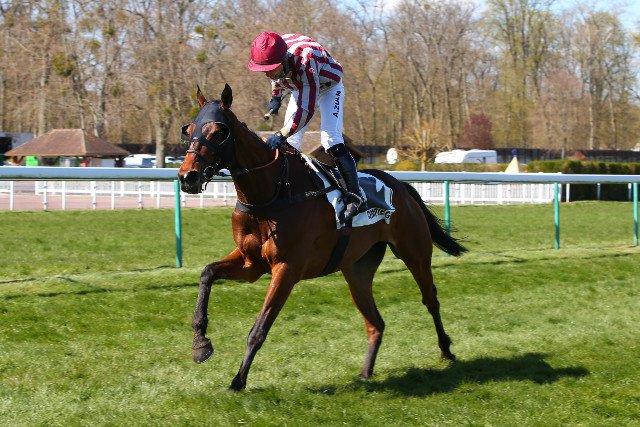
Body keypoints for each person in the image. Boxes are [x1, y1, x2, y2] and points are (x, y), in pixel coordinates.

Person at [247, 31, 366, 222]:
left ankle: (355, 195)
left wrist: (282, 133)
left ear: (283, 59)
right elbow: (275, 76)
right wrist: (276, 97)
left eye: (270, 68)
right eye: (263, 69)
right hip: (300, 84)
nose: (267, 73)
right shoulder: (275, 53)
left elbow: (306, 111)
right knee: (291, 143)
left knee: (330, 140)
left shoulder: (305, 62)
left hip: (328, 86)